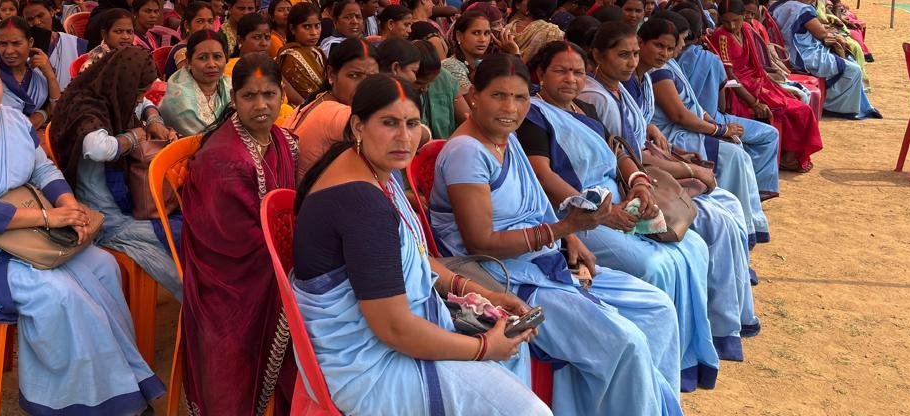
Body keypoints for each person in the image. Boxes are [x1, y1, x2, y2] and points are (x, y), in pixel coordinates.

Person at [0, 45, 163, 414]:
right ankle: (73, 404)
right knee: (59, 293)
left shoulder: (12, 119)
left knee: (104, 268)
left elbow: (42, 168)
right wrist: (50, 219)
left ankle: (120, 385)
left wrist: (67, 204)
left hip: (25, 234)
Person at [431, 55, 687, 414]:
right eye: (498, 96)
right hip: (502, 277)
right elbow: (481, 242)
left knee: (657, 308)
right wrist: (564, 228)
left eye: (520, 98)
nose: (511, 108)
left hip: (544, 260)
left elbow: (535, 205)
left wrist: (570, 239)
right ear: (474, 96)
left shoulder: (505, 138)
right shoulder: (466, 152)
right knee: (626, 341)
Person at [293, 73, 548, 416]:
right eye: (389, 123)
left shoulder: (371, 170)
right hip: (370, 369)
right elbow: (394, 328)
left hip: (387, 342)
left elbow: (413, 254)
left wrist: (482, 292)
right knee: (530, 411)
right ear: (357, 126)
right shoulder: (360, 202)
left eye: (412, 123)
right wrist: (483, 347)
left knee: (514, 347)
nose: (404, 137)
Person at [520, 41, 724, 379]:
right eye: (561, 70)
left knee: (695, 248)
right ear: (541, 74)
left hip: (621, 200)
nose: (571, 79)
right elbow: (542, 175)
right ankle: (646, 368)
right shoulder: (534, 116)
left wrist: (639, 182)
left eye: (578, 72)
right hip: (579, 213)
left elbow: (618, 150)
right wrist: (600, 213)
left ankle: (686, 354)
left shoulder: (585, 107)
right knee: (653, 266)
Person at [581, 21, 761, 360]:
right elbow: (623, 154)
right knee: (712, 224)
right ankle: (703, 337)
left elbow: (629, 148)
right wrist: (683, 171)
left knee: (717, 219)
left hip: (638, 177)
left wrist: (667, 164)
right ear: (597, 56)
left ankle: (722, 325)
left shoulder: (630, 85)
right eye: (624, 54)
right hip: (618, 189)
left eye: (633, 54)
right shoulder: (594, 97)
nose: (632, 61)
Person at [179, 55, 299, 414]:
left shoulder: (283, 140)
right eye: (249, 96)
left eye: (269, 94)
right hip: (230, 274)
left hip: (272, 256)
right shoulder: (226, 161)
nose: (261, 106)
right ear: (234, 99)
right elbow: (231, 240)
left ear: (282, 97)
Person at [50, 47, 182, 298]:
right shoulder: (86, 108)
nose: (138, 98)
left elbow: (144, 104)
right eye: (138, 91)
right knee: (182, 235)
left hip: (124, 201)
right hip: (104, 214)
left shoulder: (111, 90)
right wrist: (133, 137)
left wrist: (154, 119)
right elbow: (99, 149)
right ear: (123, 83)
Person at [635, 17, 770, 244]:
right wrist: (718, 130)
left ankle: (749, 228)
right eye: (660, 45)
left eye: (671, 46)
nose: (672, 50)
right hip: (665, 141)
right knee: (735, 158)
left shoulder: (654, 72)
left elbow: (693, 106)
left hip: (661, 144)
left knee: (736, 165)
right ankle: (742, 231)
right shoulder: (654, 74)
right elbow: (678, 115)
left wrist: (719, 128)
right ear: (641, 42)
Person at [770, 0, 880, 119]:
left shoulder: (779, 5)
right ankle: (835, 106)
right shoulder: (802, 9)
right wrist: (833, 36)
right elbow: (821, 33)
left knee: (847, 56)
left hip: (786, 50)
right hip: (802, 55)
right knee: (853, 68)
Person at [286, 38, 378, 180]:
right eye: (354, 76)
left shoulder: (319, 99)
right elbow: (391, 137)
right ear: (331, 75)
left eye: (372, 78)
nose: (364, 87)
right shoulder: (334, 112)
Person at [159, 30, 231, 136]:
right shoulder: (177, 101)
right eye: (203, 58)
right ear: (188, 61)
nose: (211, 64)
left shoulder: (232, 87)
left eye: (217, 57)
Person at [0, 16, 62, 129]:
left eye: (16, 43)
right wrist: (41, 116)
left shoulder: (38, 72)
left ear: (30, 42)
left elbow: (58, 111)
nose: (9, 51)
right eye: (3, 44)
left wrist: (50, 76)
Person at [21, 0, 87, 90]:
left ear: (51, 12)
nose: (36, 22)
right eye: (30, 19)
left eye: (40, 16)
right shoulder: (22, 50)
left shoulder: (75, 45)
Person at [275, 2, 326, 106]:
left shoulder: (318, 52)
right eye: (307, 27)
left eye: (317, 26)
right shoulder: (290, 57)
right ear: (293, 29)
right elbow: (306, 98)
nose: (314, 32)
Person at [164, 1, 216, 79]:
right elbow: (189, 84)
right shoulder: (183, 51)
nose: (207, 27)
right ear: (187, 25)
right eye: (200, 21)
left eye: (210, 21)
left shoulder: (202, 47)